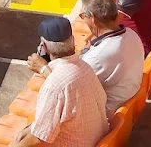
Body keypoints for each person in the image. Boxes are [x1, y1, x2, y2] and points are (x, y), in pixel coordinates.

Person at [16, 16, 109, 147]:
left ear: (44, 47)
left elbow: (39, 139)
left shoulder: (54, 86)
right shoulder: (85, 67)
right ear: (72, 41)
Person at [76, 0, 145, 119]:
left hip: (105, 115)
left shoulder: (97, 56)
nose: (83, 20)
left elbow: (71, 88)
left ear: (92, 18)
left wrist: (43, 69)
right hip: (127, 102)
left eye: (82, 15)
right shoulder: (131, 34)